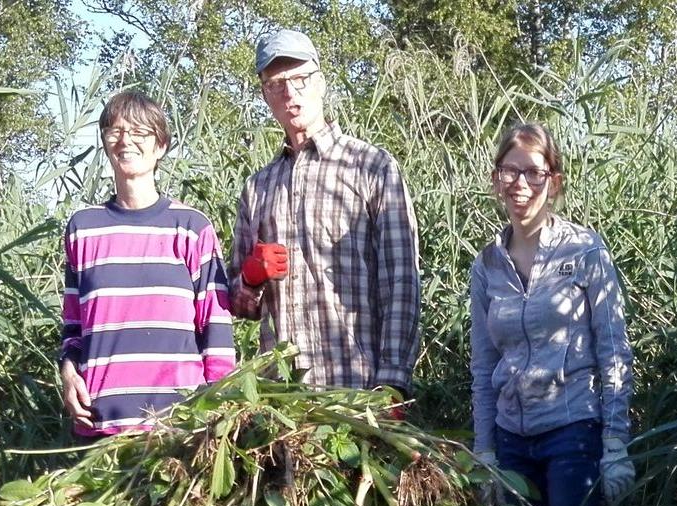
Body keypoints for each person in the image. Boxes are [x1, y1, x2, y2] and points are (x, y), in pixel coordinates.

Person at [469, 122, 634, 506]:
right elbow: (484, 366)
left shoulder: (583, 250)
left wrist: (615, 442)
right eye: (510, 171)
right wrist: (484, 450)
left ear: (554, 180)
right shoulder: (487, 265)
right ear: (496, 177)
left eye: (533, 173)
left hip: (571, 430)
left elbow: (613, 348)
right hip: (511, 436)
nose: (520, 185)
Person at [230, 29, 420, 398]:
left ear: (320, 83)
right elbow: (240, 305)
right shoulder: (258, 188)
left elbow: (401, 282)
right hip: (280, 397)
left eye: (300, 79)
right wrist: (250, 281)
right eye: (276, 83)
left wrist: (393, 382)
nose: (290, 92)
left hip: (358, 388)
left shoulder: (371, 167)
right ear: (265, 95)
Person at [59, 90, 235, 435]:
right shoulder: (83, 228)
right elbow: (73, 328)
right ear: (105, 143)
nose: (126, 141)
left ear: (161, 146)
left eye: (139, 133)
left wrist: (219, 413)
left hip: (180, 427)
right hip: (102, 424)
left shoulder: (191, 227)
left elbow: (217, 331)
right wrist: (67, 372)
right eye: (115, 131)